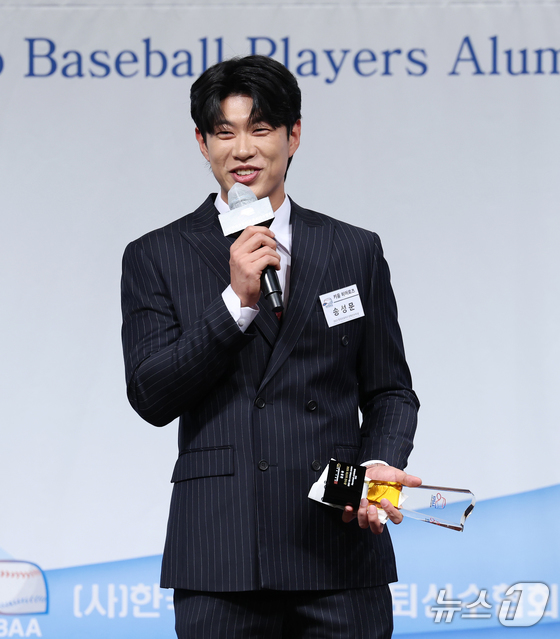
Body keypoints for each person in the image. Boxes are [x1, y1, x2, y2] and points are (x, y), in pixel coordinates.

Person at [121, 55, 420, 638]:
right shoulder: (157, 255)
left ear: (293, 136)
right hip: (222, 551)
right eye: (224, 133)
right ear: (202, 143)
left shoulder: (353, 249)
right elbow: (151, 395)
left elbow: (390, 391)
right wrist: (235, 303)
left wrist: (380, 469)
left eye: (260, 129)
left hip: (338, 543)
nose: (243, 150)